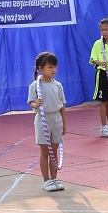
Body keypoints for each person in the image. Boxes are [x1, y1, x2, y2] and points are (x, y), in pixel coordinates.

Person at [28, 52, 67, 192]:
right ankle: (46, 180)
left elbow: (62, 105)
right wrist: (36, 104)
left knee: (54, 152)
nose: (53, 70)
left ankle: (54, 178)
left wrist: (64, 123)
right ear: (40, 68)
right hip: (43, 119)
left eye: (55, 66)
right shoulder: (35, 86)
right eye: (50, 67)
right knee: (45, 152)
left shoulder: (58, 85)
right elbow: (31, 102)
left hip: (56, 119)